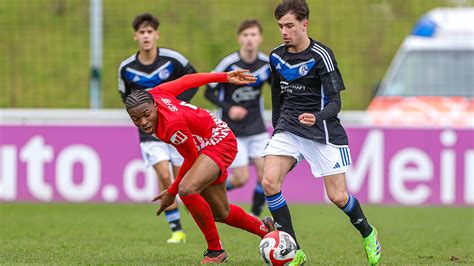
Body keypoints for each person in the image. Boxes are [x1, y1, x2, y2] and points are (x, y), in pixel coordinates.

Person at [262, 1, 382, 265]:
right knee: (269, 182)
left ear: (305, 25)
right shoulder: (275, 56)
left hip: (323, 131)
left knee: (337, 197)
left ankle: (368, 232)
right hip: (288, 129)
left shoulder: (321, 56)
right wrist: (276, 129)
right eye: (280, 26)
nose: (284, 31)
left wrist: (316, 116)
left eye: (290, 26)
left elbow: (336, 103)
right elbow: (276, 96)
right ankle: (295, 251)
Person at [125, 70, 275, 264]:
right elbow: (188, 80)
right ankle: (266, 231)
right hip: (207, 142)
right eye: (136, 119)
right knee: (221, 212)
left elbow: (191, 159)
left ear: (154, 106)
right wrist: (223, 77)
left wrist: (172, 190)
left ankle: (215, 251)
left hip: (218, 142)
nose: (143, 122)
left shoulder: (172, 126)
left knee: (187, 189)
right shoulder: (155, 93)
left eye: (146, 115)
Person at [118, 13, 198, 244]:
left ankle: (201, 221)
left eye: (149, 32)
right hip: (149, 132)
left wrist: (178, 106)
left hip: (175, 127)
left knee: (183, 182)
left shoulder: (172, 59)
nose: (146, 36)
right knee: (164, 175)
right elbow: (126, 97)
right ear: (136, 36)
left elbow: (191, 79)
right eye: (141, 32)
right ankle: (177, 230)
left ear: (156, 34)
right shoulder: (126, 68)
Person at [204, 19, 271, 217]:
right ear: (239, 39)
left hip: (257, 128)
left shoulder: (267, 64)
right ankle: (210, 193)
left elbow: (278, 90)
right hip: (232, 129)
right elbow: (208, 92)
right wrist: (229, 107)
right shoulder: (229, 63)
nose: (249, 39)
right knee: (241, 178)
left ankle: (256, 213)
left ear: (260, 38)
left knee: (266, 176)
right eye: (245, 35)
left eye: (253, 35)